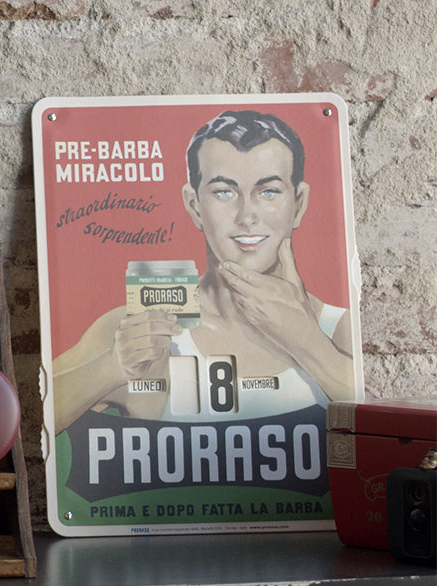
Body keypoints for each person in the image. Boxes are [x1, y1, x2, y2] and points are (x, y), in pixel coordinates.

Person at [52, 110, 356, 431]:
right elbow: (32, 412)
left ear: (299, 203)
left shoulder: (337, 329)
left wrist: (308, 341)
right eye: (224, 191)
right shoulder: (138, 332)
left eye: (268, 191)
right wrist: (112, 367)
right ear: (195, 206)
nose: (246, 215)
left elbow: (383, 441)